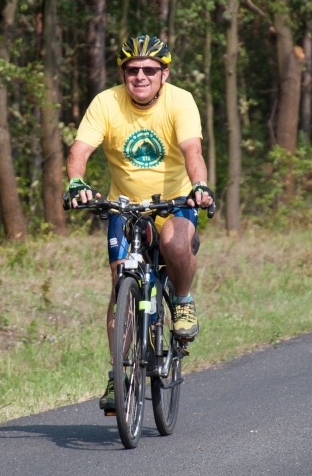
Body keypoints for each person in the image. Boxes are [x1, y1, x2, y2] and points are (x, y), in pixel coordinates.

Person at [65, 34, 215, 413]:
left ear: (164, 73)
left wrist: (199, 186)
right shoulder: (106, 102)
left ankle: (181, 301)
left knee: (175, 244)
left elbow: (192, 150)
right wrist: (76, 182)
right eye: (133, 70)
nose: (141, 76)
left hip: (174, 202)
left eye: (150, 70)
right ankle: (120, 376)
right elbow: (79, 150)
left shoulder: (180, 101)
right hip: (125, 206)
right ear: (123, 73)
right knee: (121, 287)